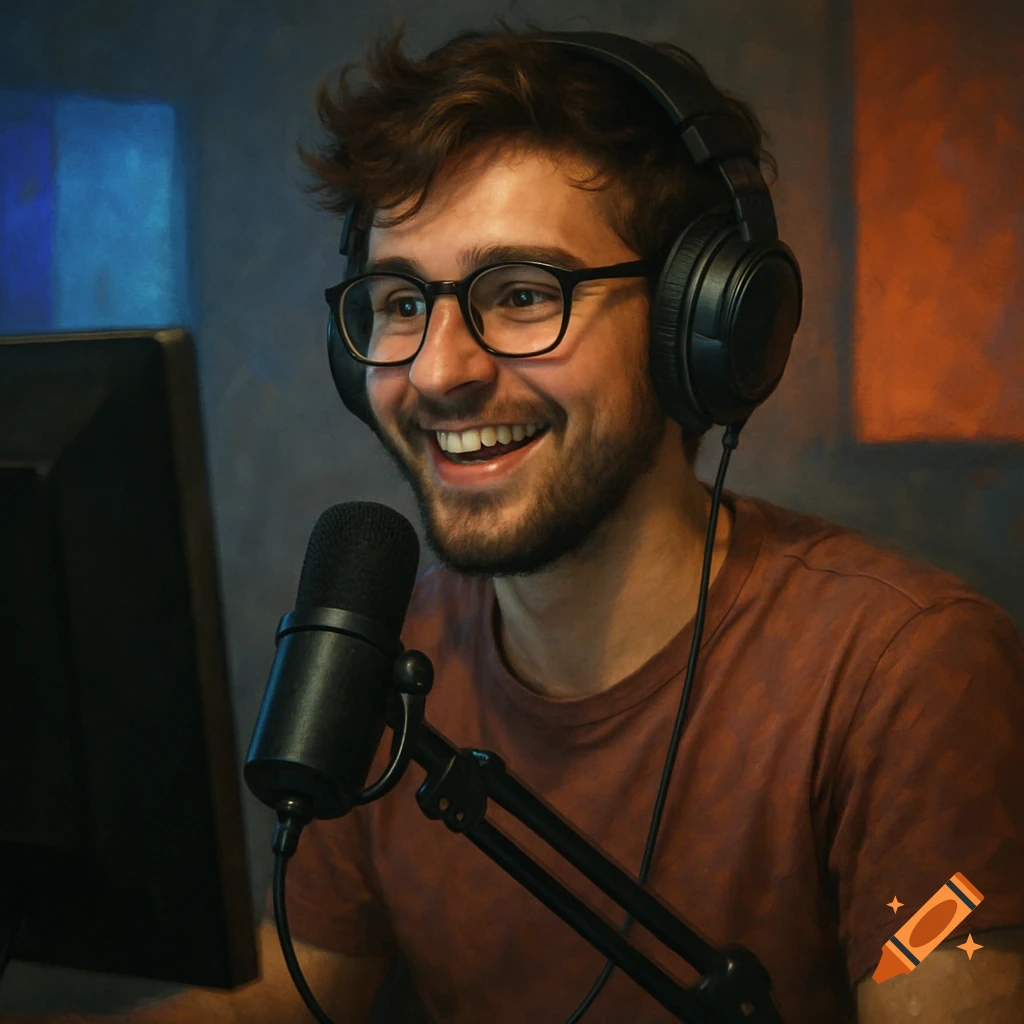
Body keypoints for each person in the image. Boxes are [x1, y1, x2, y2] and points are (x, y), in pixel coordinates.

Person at [6, 19, 1024, 1024]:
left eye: (524, 292)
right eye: (400, 302)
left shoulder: (904, 671)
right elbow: (288, 992)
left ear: (699, 326)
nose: (440, 370)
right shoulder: (390, 651)